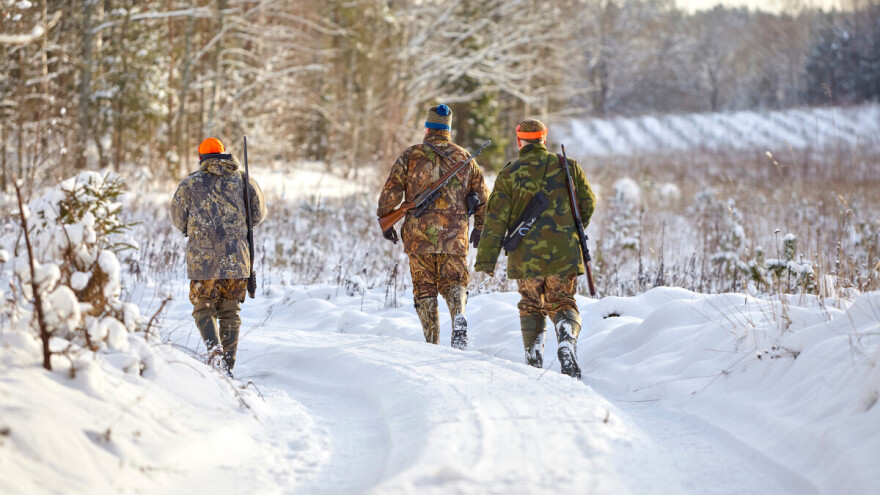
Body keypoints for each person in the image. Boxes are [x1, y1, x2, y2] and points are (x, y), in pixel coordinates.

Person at [474, 119, 596, 378]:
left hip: (524, 256)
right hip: (564, 254)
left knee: (530, 303)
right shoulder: (568, 166)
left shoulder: (509, 173)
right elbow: (588, 203)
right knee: (563, 301)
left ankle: (534, 355)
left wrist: (486, 260)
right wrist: (571, 230)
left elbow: (495, 220)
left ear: (519, 141)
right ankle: (565, 338)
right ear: (544, 138)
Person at [377, 104, 489, 349]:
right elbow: (483, 198)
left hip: (419, 239)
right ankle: (458, 313)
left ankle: (431, 343)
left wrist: (385, 219)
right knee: (454, 282)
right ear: (448, 130)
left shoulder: (411, 155)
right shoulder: (464, 157)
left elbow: (390, 191)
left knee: (425, 287)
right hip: (455, 237)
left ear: (427, 129)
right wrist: (479, 227)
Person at [171, 137, 267, 377]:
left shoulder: (190, 184)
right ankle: (228, 365)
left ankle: (214, 356)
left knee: (203, 308)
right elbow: (259, 214)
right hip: (237, 259)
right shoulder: (245, 181)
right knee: (230, 311)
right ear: (225, 154)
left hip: (202, 261)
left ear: (201, 158)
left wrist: (191, 230)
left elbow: (178, 219)